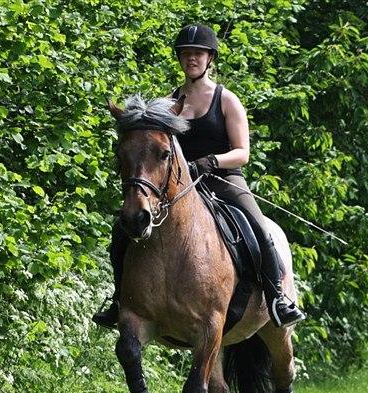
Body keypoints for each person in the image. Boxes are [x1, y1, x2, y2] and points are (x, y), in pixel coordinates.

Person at [93, 23, 305, 329]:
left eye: (198, 54)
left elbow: (242, 152)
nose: (191, 59)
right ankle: (119, 300)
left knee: (258, 227)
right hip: (175, 184)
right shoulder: (166, 104)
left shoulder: (226, 100)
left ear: (209, 59)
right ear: (179, 59)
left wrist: (209, 162)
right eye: (186, 54)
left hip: (224, 179)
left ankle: (277, 298)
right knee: (121, 230)